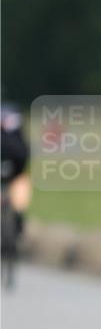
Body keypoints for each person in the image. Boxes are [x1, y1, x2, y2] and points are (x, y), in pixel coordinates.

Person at [1, 102, 32, 241]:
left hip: (15, 164)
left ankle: (18, 215)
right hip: (17, 164)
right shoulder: (14, 113)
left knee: (20, 181)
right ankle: (19, 215)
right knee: (21, 181)